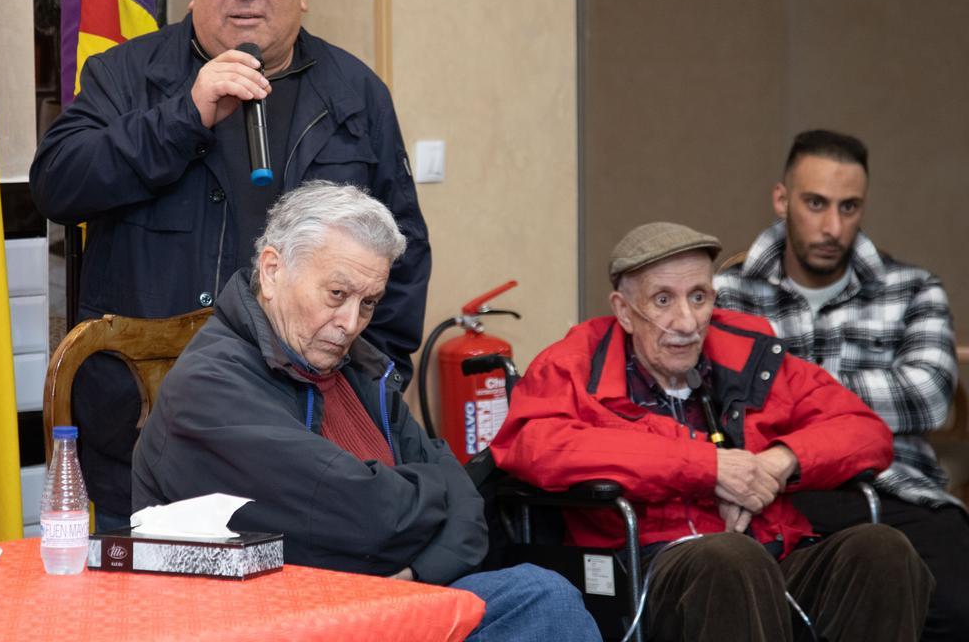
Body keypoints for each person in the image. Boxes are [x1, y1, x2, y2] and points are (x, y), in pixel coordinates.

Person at [29, 0, 430, 530]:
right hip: (139, 430)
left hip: (303, 442)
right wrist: (183, 116)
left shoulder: (357, 94)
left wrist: (367, 385)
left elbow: (401, 256)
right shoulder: (126, 75)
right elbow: (57, 184)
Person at [131, 182, 601, 640]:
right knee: (541, 598)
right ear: (272, 271)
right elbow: (369, 517)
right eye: (337, 295)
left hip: (385, 604)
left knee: (538, 595)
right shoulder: (210, 387)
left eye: (368, 302)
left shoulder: (358, 368)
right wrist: (442, 488)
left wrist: (418, 571)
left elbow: (468, 508)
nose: (350, 323)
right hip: (275, 618)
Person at [491, 221, 932, 642]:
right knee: (728, 558)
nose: (686, 322)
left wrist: (778, 462)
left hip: (774, 556)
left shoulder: (749, 354)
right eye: (663, 300)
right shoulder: (576, 364)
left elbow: (865, 431)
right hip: (654, 573)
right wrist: (707, 466)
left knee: (882, 550)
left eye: (699, 297)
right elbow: (532, 444)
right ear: (623, 311)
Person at [714, 129, 966, 641]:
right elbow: (718, 404)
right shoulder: (727, 293)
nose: (833, 226)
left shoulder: (912, 288)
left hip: (898, 489)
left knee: (956, 609)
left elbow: (930, 394)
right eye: (816, 204)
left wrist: (790, 391)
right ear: (782, 201)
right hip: (779, 491)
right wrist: (833, 408)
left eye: (849, 207)